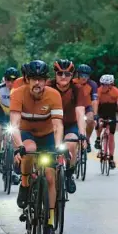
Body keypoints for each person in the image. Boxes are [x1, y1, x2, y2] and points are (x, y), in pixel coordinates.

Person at [10, 59, 64, 234]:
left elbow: (57, 125)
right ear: (26, 79)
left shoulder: (54, 95)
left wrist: (57, 147)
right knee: (30, 149)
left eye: (41, 79)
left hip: (47, 134)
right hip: (26, 133)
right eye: (33, 79)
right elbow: (14, 125)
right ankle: (25, 185)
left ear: (45, 80)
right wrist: (19, 147)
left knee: (50, 175)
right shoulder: (17, 93)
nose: (37, 83)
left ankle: (49, 223)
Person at [47, 59, 88, 193]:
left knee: (71, 144)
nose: (63, 77)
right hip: (51, 124)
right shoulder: (48, 87)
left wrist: (83, 135)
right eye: (60, 73)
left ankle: (69, 174)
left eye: (67, 74)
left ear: (72, 75)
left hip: (70, 124)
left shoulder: (77, 89)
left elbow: (80, 112)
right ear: (55, 74)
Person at [0, 67, 20, 169]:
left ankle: (13, 162)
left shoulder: (21, 88)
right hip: (2, 114)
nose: (10, 83)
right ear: (5, 79)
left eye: (13, 80)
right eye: (8, 80)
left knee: (13, 138)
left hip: (15, 115)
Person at [94, 74, 118, 169]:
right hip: (102, 111)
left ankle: (111, 158)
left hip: (111, 112)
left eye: (107, 84)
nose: (104, 86)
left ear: (111, 84)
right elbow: (96, 103)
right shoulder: (98, 91)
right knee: (99, 123)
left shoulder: (116, 92)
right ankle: (97, 139)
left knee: (111, 136)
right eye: (103, 84)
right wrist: (96, 115)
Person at [73, 64, 98, 152]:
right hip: (75, 106)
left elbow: (94, 100)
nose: (84, 78)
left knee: (90, 120)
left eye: (86, 76)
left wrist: (95, 115)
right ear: (78, 75)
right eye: (82, 75)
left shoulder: (92, 84)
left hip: (87, 106)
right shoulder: (73, 83)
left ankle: (86, 139)